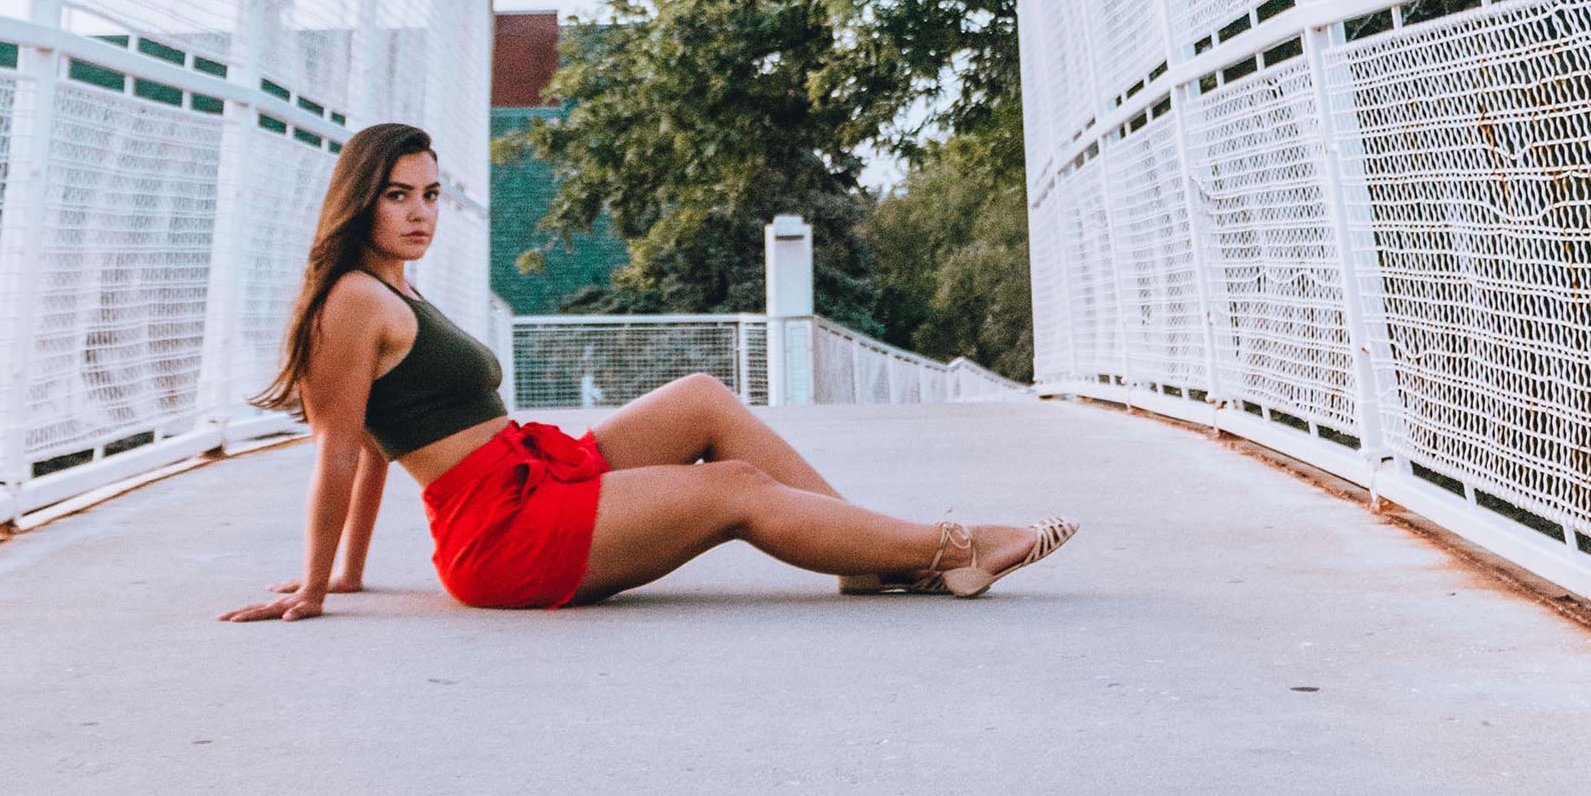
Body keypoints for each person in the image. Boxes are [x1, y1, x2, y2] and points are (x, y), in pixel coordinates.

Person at [221, 121, 1075, 621]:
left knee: (702, 400)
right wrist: (317, 587)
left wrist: (345, 572)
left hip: (528, 473)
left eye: (431, 194)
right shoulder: (351, 302)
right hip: (501, 536)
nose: (419, 213)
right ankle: (949, 549)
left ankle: (861, 548)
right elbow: (340, 447)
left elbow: (378, 444)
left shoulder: (391, 287)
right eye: (397, 195)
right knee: (733, 489)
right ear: (359, 199)